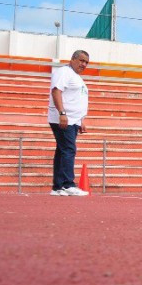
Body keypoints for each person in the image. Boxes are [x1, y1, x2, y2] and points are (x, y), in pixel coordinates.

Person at [48, 50, 91, 196]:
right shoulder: (64, 72)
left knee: (62, 151)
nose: (83, 64)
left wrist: (81, 120)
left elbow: (76, 99)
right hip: (65, 119)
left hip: (73, 120)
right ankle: (67, 184)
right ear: (72, 59)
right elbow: (56, 91)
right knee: (68, 149)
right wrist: (62, 113)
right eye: (81, 60)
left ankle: (58, 187)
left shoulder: (76, 77)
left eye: (86, 62)